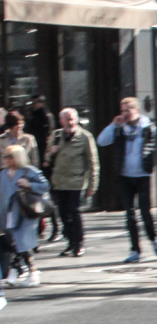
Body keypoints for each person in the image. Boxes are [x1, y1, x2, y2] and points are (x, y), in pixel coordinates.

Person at [96, 97, 157, 262]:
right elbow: (101, 141)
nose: (125, 114)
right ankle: (135, 249)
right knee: (130, 215)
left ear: (136, 110)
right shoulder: (119, 129)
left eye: (128, 110)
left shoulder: (148, 127)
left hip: (143, 175)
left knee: (145, 212)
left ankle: (154, 240)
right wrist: (113, 124)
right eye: (123, 110)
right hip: (124, 176)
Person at [45, 107, 98, 257]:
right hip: (60, 182)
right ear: (61, 121)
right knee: (62, 213)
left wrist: (92, 185)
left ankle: (79, 243)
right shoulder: (56, 136)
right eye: (67, 119)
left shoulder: (85, 136)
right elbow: (47, 160)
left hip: (76, 182)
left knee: (74, 212)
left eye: (72, 118)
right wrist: (51, 153)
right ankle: (70, 242)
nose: (70, 121)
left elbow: (93, 162)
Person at [1, 145, 50, 288]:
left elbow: (45, 186)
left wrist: (29, 185)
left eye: (10, 156)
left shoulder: (28, 171)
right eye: (5, 156)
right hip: (7, 213)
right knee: (13, 243)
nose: (6, 160)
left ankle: (31, 272)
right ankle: (15, 270)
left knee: (21, 242)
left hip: (25, 213)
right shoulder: (3, 174)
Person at [27, 97, 50, 165]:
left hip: (42, 143)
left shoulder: (46, 115)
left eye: (35, 103)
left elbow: (49, 129)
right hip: (35, 141)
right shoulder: (32, 115)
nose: (33, 105)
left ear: (41, 104)